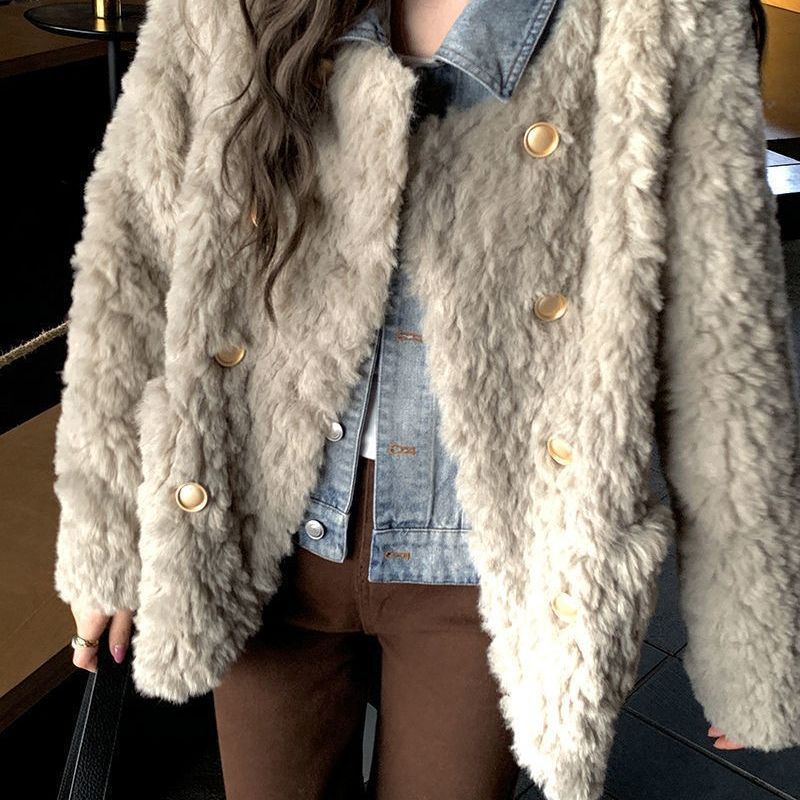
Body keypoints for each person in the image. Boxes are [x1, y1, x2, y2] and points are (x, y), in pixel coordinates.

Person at [53, 0, 799, 798]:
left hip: (488, 559)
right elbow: (130, 256)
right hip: (258, 524)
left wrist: (750, 628)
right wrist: (106, 533)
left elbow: (722, 336)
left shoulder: (662, 18)